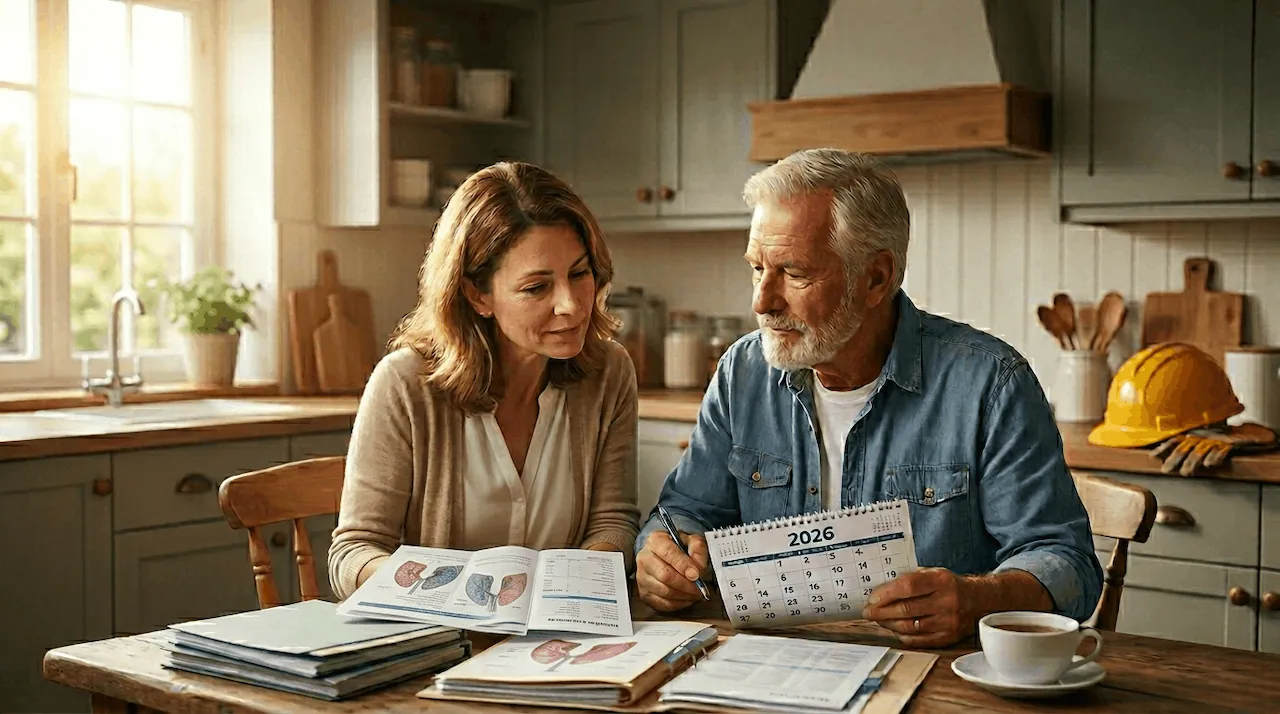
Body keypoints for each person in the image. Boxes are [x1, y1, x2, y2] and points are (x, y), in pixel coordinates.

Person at [634, 148, 1102, 647]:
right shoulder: (741, 372)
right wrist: (661, 553)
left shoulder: (991, 383)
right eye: (756, 268)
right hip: (769, 663)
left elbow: (1065, 562)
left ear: (876, 277)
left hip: (935, 674)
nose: (761, 302)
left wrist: (976, 600)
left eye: (792, 273)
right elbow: (684, 511)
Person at [329, 161, 641, 600]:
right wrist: (453, 596)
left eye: (580, 273)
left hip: (553, 642)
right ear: (478, 295)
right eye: (536, 288)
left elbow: (614, 522)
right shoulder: (404, 384)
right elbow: (355, 552)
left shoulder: (608, 373)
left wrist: (568, 591)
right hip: (434, 642)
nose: (571, 305)